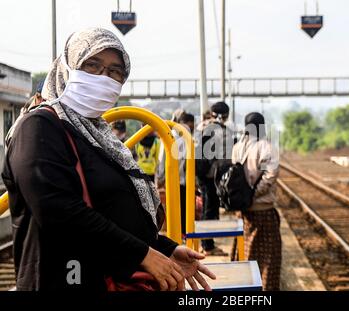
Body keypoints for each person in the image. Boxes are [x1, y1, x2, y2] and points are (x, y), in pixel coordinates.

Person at [1, 28, 214, 291]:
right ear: (67, 67)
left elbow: (110, 212)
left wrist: (163, 248)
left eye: (115, 72)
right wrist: (143, 255)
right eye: (92, 65)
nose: (104, 78)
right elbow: (59, 212)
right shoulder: (38, 126)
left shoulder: (99, 134)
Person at [231, 112, 281, 291]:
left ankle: (244, 292)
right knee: (268, 260)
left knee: (246, 254)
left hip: (243, 212)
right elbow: (270, 176)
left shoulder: (237, 147)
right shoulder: (267, 147)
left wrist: (245, 197)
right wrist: (254, 194)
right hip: (263, 211)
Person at [196, 102, 234, 256]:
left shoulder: (200, 127)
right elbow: (224, 156)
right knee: (209, 209)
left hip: (201, 174)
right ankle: (207, 246)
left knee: (208, 208)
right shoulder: (221, 131)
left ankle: (207, 243)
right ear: (225, 115)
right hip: (212, 176)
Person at [156, 113, 195, 235]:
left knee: (173, 210)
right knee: (183, 209)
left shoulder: (168, 136)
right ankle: (183, 234)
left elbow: (162, 159)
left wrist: (160, 178)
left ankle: (175, 234)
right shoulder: (187, 138)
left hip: (171, 180)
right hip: (183, 180)